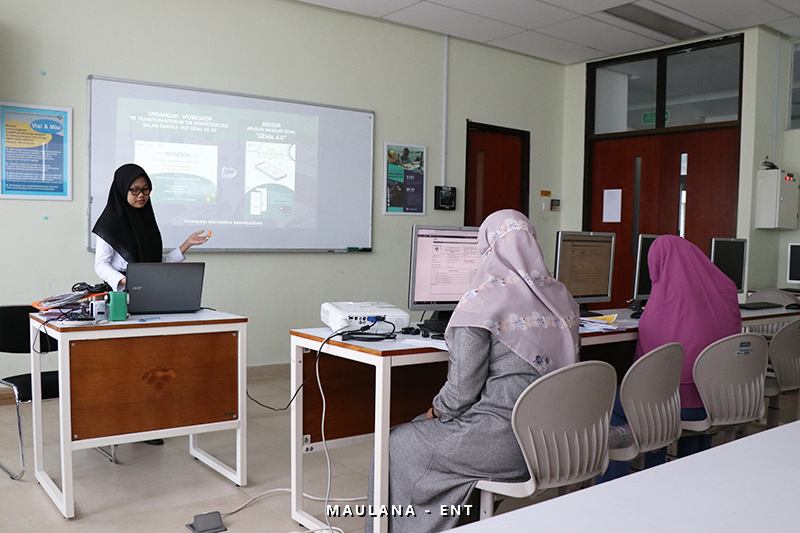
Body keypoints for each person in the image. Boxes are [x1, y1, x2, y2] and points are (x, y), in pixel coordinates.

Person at [365, 209, 581, 533]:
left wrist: (435, 411)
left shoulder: (483, 302)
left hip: (508, 445)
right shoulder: (563, 299)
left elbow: (461, 391)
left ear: (488, 248)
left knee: (399, 441)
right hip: (557, 441)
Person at [599, 235, 742, 481]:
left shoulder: (662, 307)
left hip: (671, 411)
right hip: (718, 402)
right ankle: (689, 478)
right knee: (689, 395)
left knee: (609, 401)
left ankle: (613, 486)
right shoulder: (725, 294)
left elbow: (647, 371)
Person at [93, 163, 209, 291]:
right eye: (135, 190)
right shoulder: (109, 222)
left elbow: (156, 265)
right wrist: (126, 281)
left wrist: (187, 244)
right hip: (121, 292)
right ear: (122, 189)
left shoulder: (146, 221)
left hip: (150, 288)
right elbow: (101, 265)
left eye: (146, 189)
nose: (141, 195)